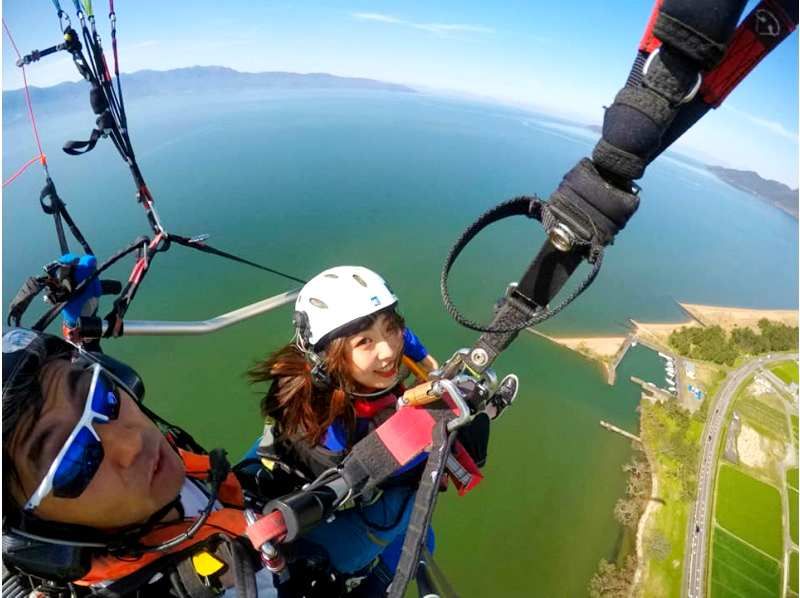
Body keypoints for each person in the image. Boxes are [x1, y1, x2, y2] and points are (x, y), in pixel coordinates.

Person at [248, 266, 493, 595]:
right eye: (365, 342)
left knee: (421, 539)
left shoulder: (378, 351)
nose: (388, 350)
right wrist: (443, 435)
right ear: (329, 359)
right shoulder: (321, 421)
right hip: (322, 485)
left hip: (339, 459)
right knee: (410, 522)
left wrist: (435, 377)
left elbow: (409, 345)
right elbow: (372, 467)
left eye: (390, 328)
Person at [1, 326, 287, 597]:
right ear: (37, 533)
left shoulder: (147, 479)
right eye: (70, 456)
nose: (131, 442)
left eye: (97, 393)